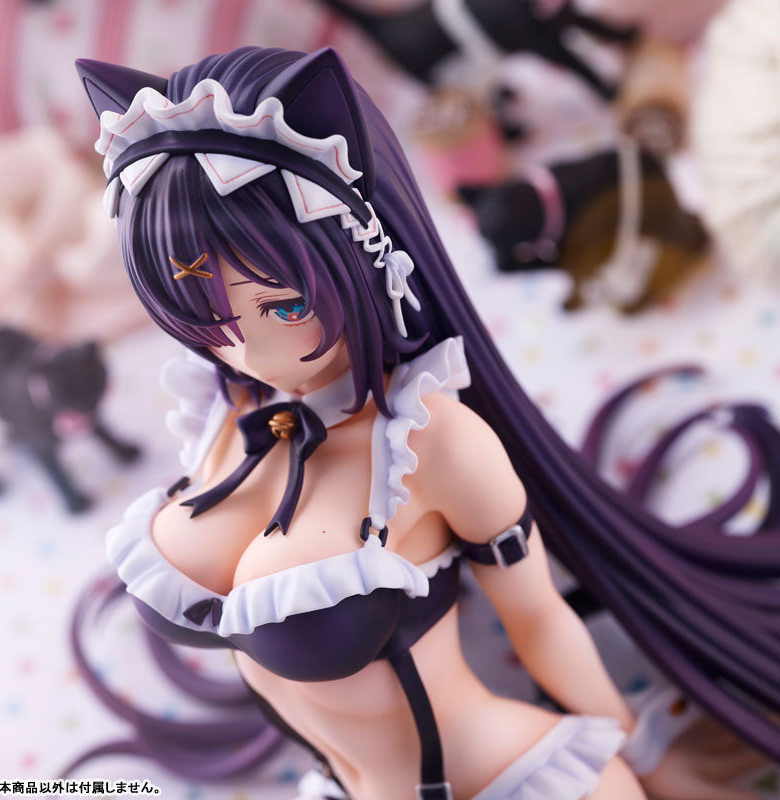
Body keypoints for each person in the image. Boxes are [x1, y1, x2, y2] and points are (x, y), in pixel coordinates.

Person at [76, 46, 778, 800]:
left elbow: (538, 619)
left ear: (370, 261)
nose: (249, 350)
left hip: (500, 776)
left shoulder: (427, 440)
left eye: (286, 306)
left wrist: (641, 754)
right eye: (203, 313)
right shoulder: (225, 408)